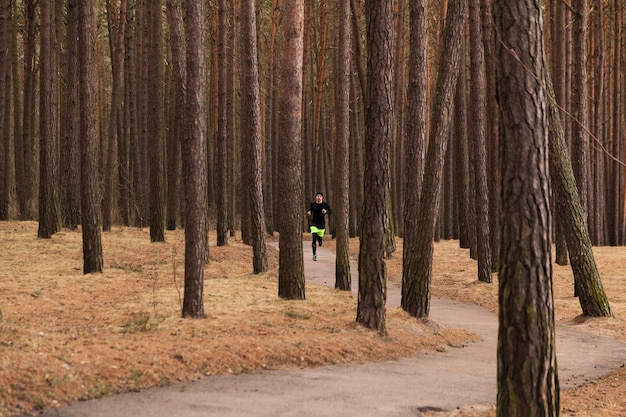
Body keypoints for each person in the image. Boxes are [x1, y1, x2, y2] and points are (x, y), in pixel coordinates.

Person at [306, 192, 332, 261]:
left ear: (322, 198)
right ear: (315, 197)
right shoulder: (313, 204)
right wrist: (309, 213)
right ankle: (314, 255)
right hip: (314, 223)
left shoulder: (325, 204)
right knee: (314, 236)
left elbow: (330, 211)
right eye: (317, 196)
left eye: (320, 196)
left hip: (321, 224)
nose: (319, 197)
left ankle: (320, 240)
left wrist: (326, 211)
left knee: (319, 238)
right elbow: (310, 210)